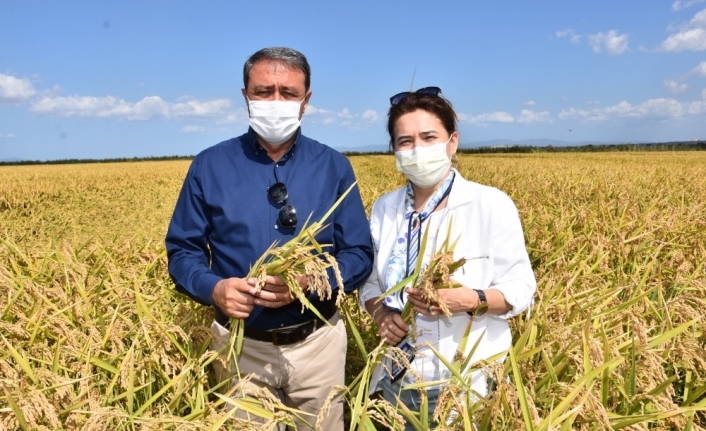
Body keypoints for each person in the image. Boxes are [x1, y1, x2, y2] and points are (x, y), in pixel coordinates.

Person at [165, 46, 374, 430]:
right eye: (263, 92)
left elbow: (359, 253)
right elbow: (183, 252)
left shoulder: (334, 168)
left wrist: (312, 283)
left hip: (318, 346)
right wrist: (214, 290)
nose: (275, 101)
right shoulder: (209, 166)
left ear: (306, 101)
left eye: (288, 93)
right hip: (239, 347)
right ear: (245, 96)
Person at [358, 87, 536, 428]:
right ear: (394, 149)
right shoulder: (386, 208)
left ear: (452, 142)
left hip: (467, 380)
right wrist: (379, 311)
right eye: (405, 141)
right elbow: (369, 280)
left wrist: (470, 299)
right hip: (399, 377)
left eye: (429, 137)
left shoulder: (490, 204)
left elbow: (521, 288)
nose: (417, 149)